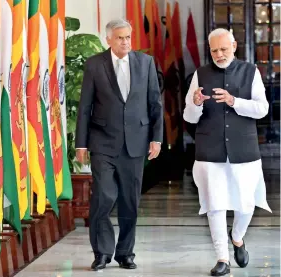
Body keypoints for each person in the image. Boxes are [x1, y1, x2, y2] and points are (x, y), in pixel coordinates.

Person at [75, 18, 163, 271]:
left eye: (128, 37)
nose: (125, 41)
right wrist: (81, 144)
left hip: (136, 142)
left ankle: (125, 253)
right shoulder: (94, 65)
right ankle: (102, 252)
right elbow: (85, 108)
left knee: (129, 201)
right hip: (103, 141)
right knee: (103, 196)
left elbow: (155, 103)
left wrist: (156, 138)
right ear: (109, 39)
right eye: (120, 37)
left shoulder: (145, 63)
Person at [183, 28, 272, 276]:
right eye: (214, 50)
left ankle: (237, 238)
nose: (219, 54)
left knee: (246, 206)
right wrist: (196, 103)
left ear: (234, 46)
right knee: (215, 205)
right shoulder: (200, 74)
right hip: (210, 150)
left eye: (224, 49)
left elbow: (261, 109)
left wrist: (234, 101)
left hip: (244, 149)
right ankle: (222, 258)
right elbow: (188, 116)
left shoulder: (250, 71)